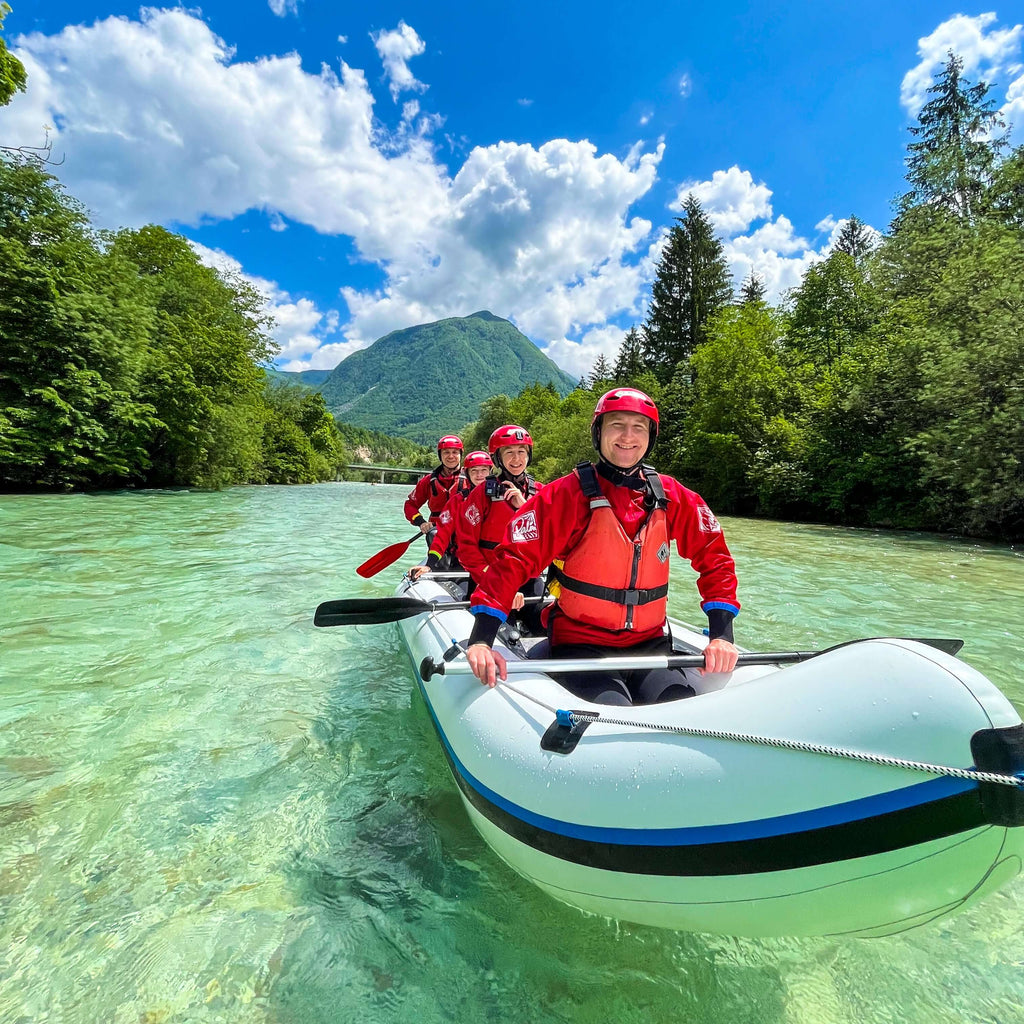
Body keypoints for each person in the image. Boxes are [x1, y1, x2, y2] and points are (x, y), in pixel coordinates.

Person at [463, 388, 740, 704]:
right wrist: (482, 639)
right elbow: (513, 559)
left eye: (638, 427)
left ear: (650, 436)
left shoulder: (672, 495)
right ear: (598, 433)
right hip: (581, 644)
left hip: (650, 645)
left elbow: (715, 557)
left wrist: (721, 636)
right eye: (616, 425)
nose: (627, 436)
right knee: (615, 708)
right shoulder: (564, 496)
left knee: (676, 705)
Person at [455, 425, 546, 621]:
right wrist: (499, 583)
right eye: (509, 452)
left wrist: (525, 508)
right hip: (488, 579)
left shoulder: (540, 493)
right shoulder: (480, 495)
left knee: (547, 623)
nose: (516, 459)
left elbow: (552, 541)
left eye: (521, 452)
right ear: (498, 458)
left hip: (528, 581)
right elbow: (466, 548)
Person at [409, 450, 492, 578]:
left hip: (495, 559)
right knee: (434, 534)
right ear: (467, 473)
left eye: (484, 470)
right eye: (474, 471)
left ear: (490, 472)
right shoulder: (457, 501)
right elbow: (442, 534)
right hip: (465, 558)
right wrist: (429, 564)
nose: (479, 475)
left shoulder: (504, 497)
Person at [404, 435, 464, 545]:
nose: (451, 456)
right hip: (437, 532)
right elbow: (410, 505)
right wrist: (421, 522)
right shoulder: (428, 481)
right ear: (440, 455)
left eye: (455, 452)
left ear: (460, 455)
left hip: (465, 531)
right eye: (446, 452)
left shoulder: (471, 478)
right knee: (433, 535)